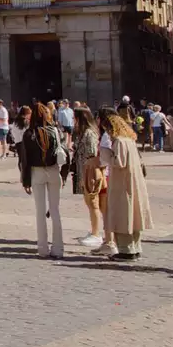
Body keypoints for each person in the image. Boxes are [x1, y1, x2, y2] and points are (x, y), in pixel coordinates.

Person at [18, 103, 67, 259]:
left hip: (36, 172)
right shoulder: (55, 131)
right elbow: (64, 152)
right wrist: (64, 176)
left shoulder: (28, 134)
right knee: (55, 210)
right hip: (53, 170)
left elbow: (24, 160)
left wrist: (25, 181)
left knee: (40, 211)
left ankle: (43, 248)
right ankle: (58, 248)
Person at [101, 114, 153, 260]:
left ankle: (126, 250)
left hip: (123, 184)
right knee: (134, 215)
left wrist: (106, 154)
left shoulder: (119, 141)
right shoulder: (130, 140)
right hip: (134, 183)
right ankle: (135, 247)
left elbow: (119, 162)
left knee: (123, 215)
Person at [72, 107, 106, 250]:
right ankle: (94, 230)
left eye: (75, 118)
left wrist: (86, 175)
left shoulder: (89, 133)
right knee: (90, 203)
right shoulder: (83, 133)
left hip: (90, 173)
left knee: (93, 203)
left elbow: (92, 154)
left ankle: (96, 233)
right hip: (84, 171)